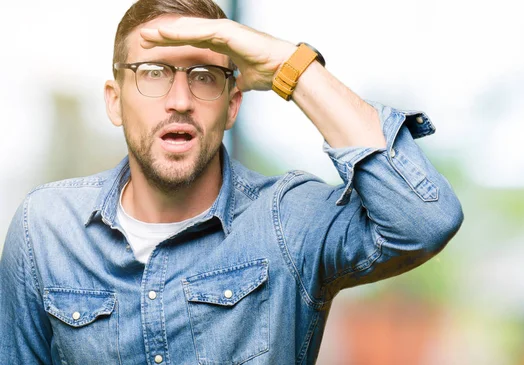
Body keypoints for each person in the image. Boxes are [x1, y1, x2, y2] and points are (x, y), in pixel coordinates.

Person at [0, 0, 463, 364]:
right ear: (115, 101)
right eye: (154, 73)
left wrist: (292, 65)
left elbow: (425, 220)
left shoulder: (285, 220)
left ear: (232, 105)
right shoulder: (44, 229)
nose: (179, 100)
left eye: (204, 77)